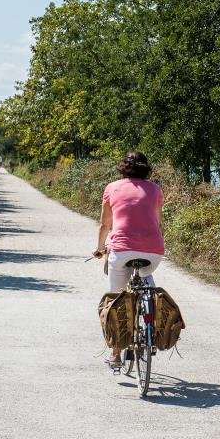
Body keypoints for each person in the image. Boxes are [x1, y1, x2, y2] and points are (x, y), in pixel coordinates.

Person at [93, 151, 164, 366]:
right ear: (146, 168)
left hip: (122, 251)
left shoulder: (112, 188)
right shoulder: (155, 189)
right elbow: (158, 222)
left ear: (123, 167)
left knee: (116, 299)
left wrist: (100, 248)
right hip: (153, 251)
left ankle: (116, 353)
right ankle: (150, 306)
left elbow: (105, 224)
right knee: (145, 275)